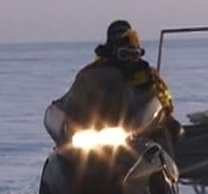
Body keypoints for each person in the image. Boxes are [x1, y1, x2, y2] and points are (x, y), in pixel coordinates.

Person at [61, 19, 182, 154]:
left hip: (136, 133)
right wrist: (69, 121)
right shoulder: (92, 74)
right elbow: (76, 101)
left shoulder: (147, 74)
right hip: (96, 132)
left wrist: (163, 113)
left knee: (170, 132)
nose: (129, 60)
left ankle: (169, 170)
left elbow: (163, 101)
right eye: (124, 55)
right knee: (66, 150)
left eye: (133, 55)